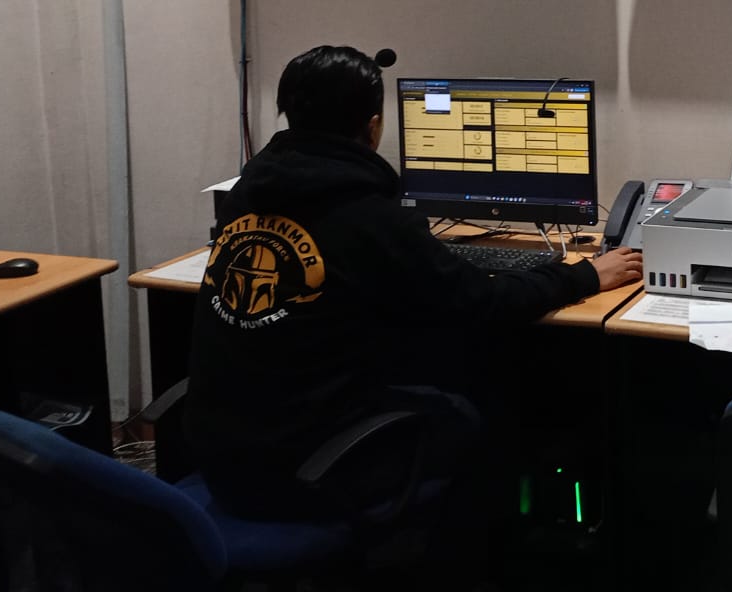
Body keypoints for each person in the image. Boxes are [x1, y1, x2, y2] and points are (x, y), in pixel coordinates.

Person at [186, 44, 641, 521]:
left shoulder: (248, 193)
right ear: (373, 125)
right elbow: (483, 301)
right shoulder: (368, 214)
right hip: (309, 471)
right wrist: (585, 275)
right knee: (486, 410)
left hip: (225, 460)